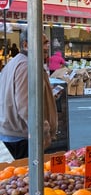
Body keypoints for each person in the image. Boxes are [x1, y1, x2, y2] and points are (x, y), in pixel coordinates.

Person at [0, 28, 58, 159]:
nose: (47, 47)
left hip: (13, 134)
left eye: (47, 43)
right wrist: (43, 132)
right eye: (43, 43)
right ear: (26, 45)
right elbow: (26, 106)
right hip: (23, 137)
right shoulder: (27, 66)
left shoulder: (14, 63)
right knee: (29, 176)